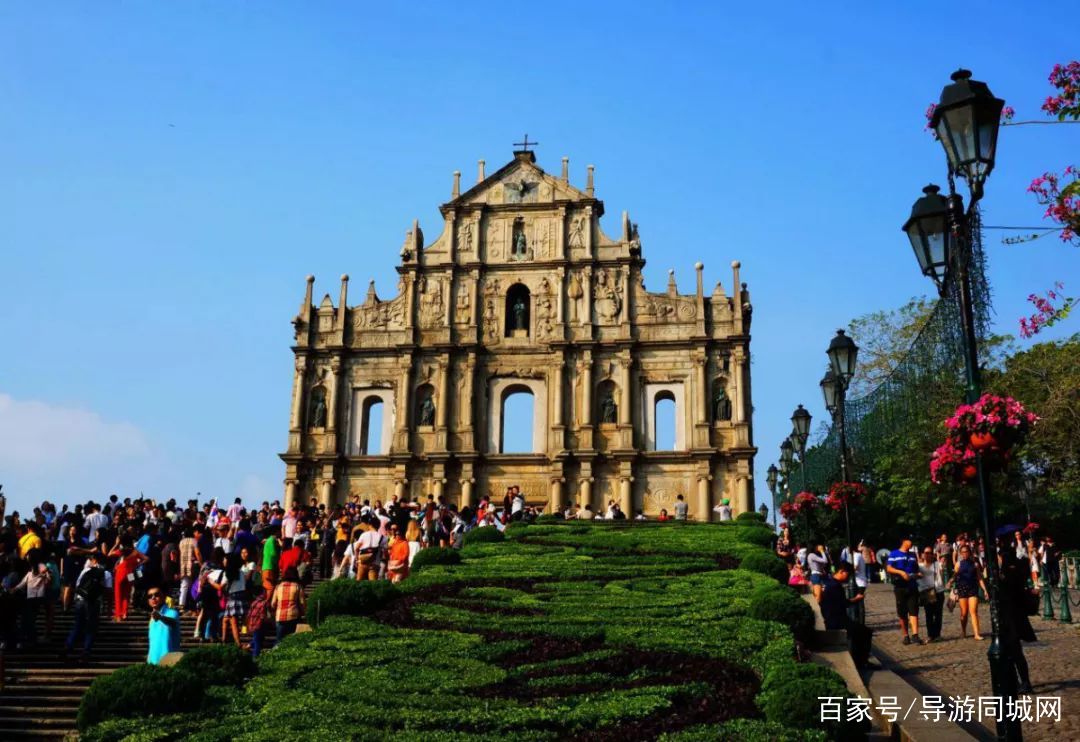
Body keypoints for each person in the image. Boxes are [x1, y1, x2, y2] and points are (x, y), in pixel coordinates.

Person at [998, 537, 1037, 693]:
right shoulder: (1019, 568)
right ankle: (1021, 681)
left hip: (1010, 615)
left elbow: (1003, 590)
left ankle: (1024, 682)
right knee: (1014, 650)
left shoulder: (1007, 573)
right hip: (1018, 614)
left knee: (1013, 650)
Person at [817, 561, 870, 669]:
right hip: (836, 621)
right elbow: (844, 604)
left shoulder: (830, 583)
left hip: (833, 618)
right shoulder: (834, 586)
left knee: (860, 631)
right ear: (841, 572)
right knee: (865, 632)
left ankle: (860, 660)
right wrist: (857, 599)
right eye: (848, 574)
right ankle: (861, 662)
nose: (848, 577)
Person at [63, 551, 111, 662]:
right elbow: (109, 592)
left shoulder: (85, 570)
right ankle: (85, 652)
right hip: (94, 602)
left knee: (78, 625)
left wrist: (72, 602)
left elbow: (77, 586)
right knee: (91, 628)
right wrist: (108, 608)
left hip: (80, 601)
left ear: (94, 560)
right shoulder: (106, 573)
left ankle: (67, 647)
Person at [946, 543, 987, 640]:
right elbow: (955, 576)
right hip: (962, 589)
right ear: (960, 553)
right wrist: (950, 582)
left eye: (966, 552)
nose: (964, 554)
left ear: (970, 552)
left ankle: (976, 634)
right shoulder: (958, 564)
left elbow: (980, 578)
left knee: (973, 611)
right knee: (964, 614)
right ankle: (963, 631)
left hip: (973, 589)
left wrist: (985, 590)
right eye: (962, 552)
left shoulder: (975, 564)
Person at [885, 537, 922, 645]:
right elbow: (889, 568)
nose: (911, 543)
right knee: (902, 612)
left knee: (914, 610)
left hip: (912, 586)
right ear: (904, 541)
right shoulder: (894, 554)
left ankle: (915, 635)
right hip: (900, 586)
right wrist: (901, 573)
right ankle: (906, 635)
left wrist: (917, 575)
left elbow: (916, 569)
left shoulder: (913, 555)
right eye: (910, 541)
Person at [917, 545, 945, 643]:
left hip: (938, 591)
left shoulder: (937, 564)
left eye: (930, 553)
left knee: (938, 614)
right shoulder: (919, 566)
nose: (928, 555)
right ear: (923, 554)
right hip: (927, 592)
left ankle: (937, 634)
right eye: (926, 553)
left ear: (933, 555)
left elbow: (941, 572)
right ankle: (930, 635)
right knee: (929, 614)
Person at [146, 587, 181, 664]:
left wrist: (160, 617)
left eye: (157, 595)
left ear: (163, 597)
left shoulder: (172, 612)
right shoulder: (151, 619)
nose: (153, 597)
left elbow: (172, 622)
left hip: (169, 661)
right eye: (150, 596)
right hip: (153, 662)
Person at [271, 566, 305, 642]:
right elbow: (302, 603)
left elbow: (273, 604)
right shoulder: (298, 586)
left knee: (279, 640)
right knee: (291, 641)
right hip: (293, 616)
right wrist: (303, 613)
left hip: (279, 617)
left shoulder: (278, 587)